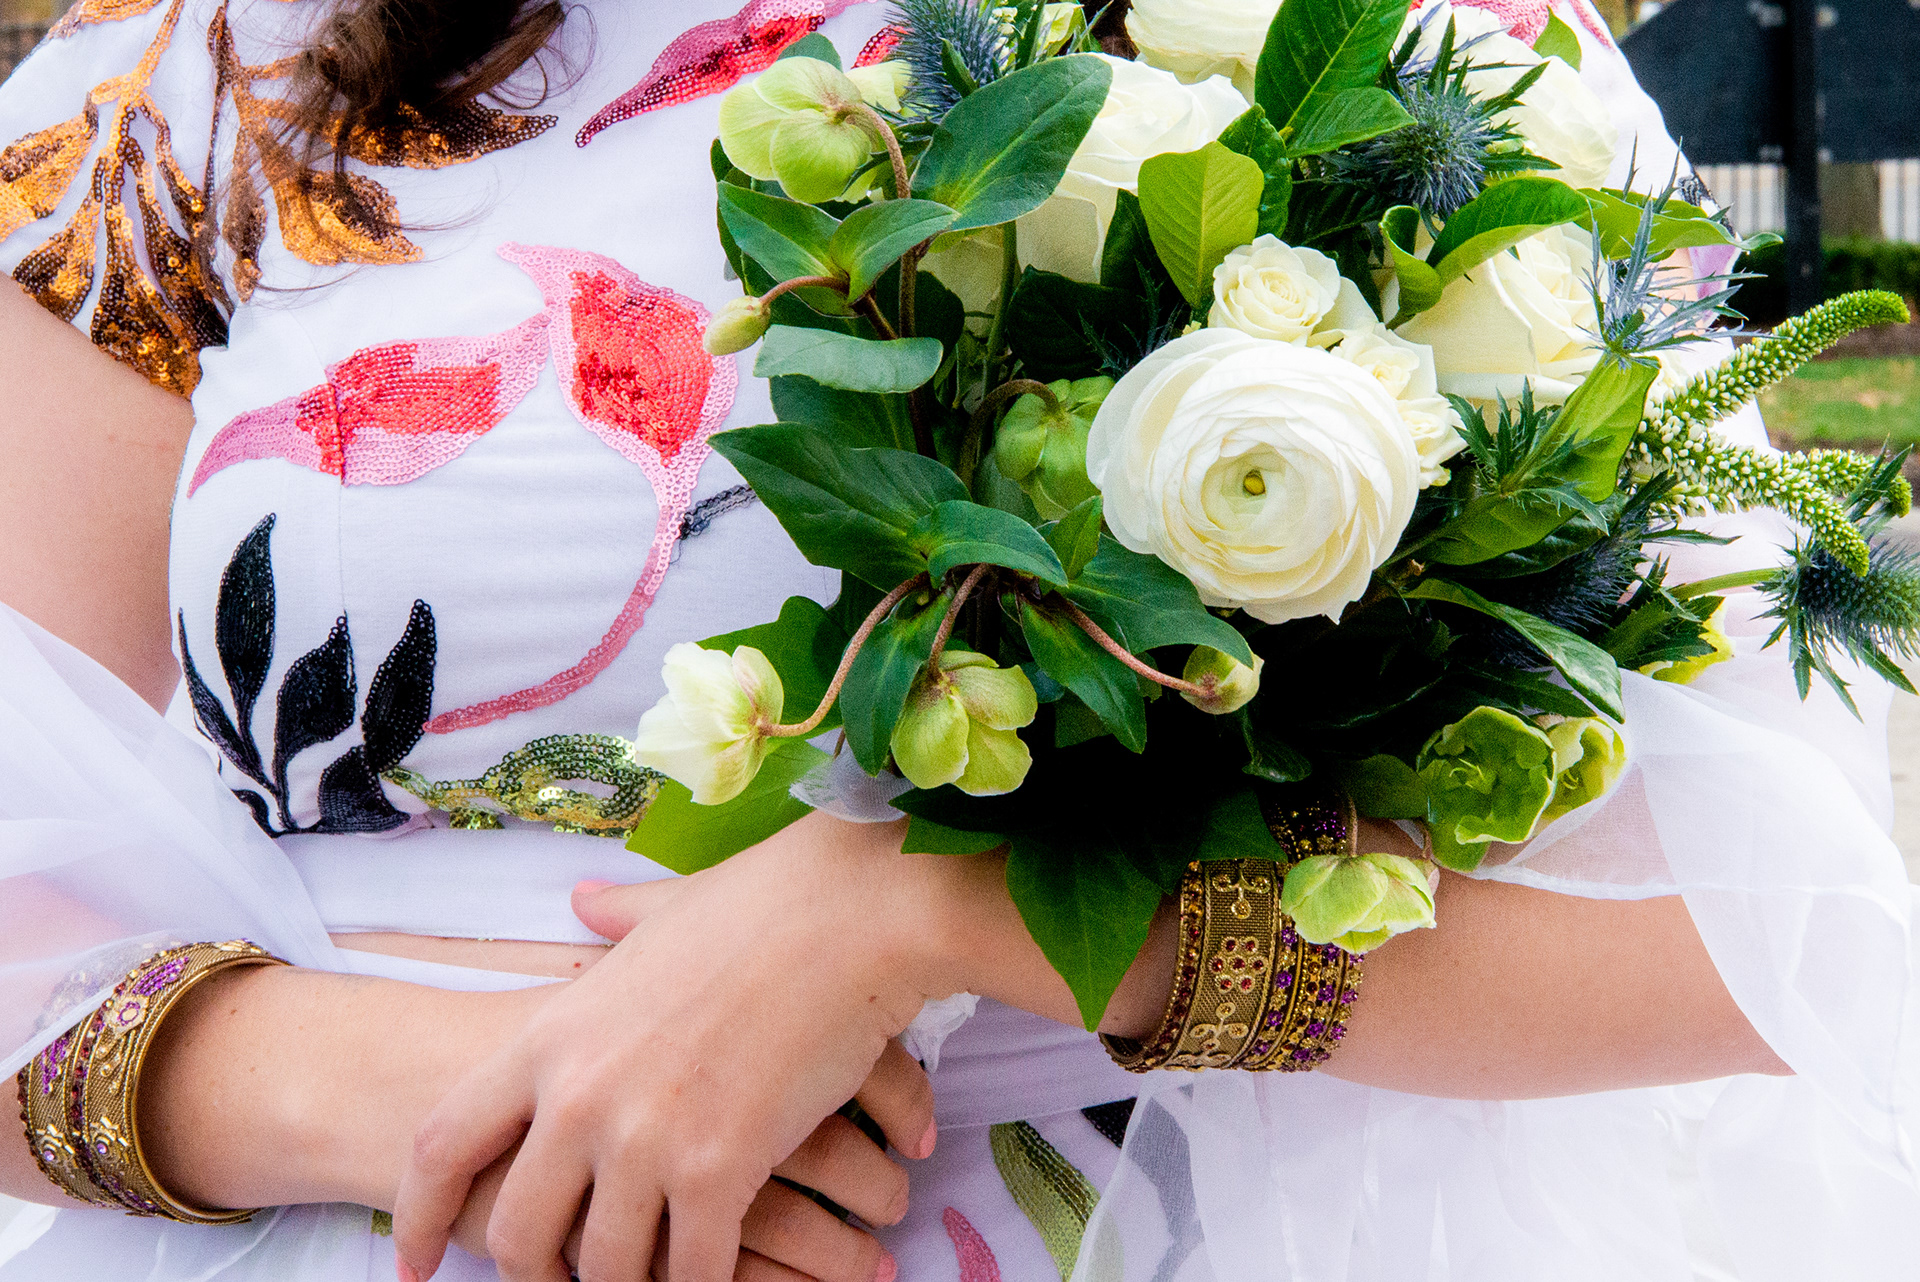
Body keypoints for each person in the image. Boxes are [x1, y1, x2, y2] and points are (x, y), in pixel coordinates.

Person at [0, 1, 1915, 1280]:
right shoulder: (197, 73)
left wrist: (923, 912)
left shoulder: (1411, 52)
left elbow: (1763, 921)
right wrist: (446, 1100)